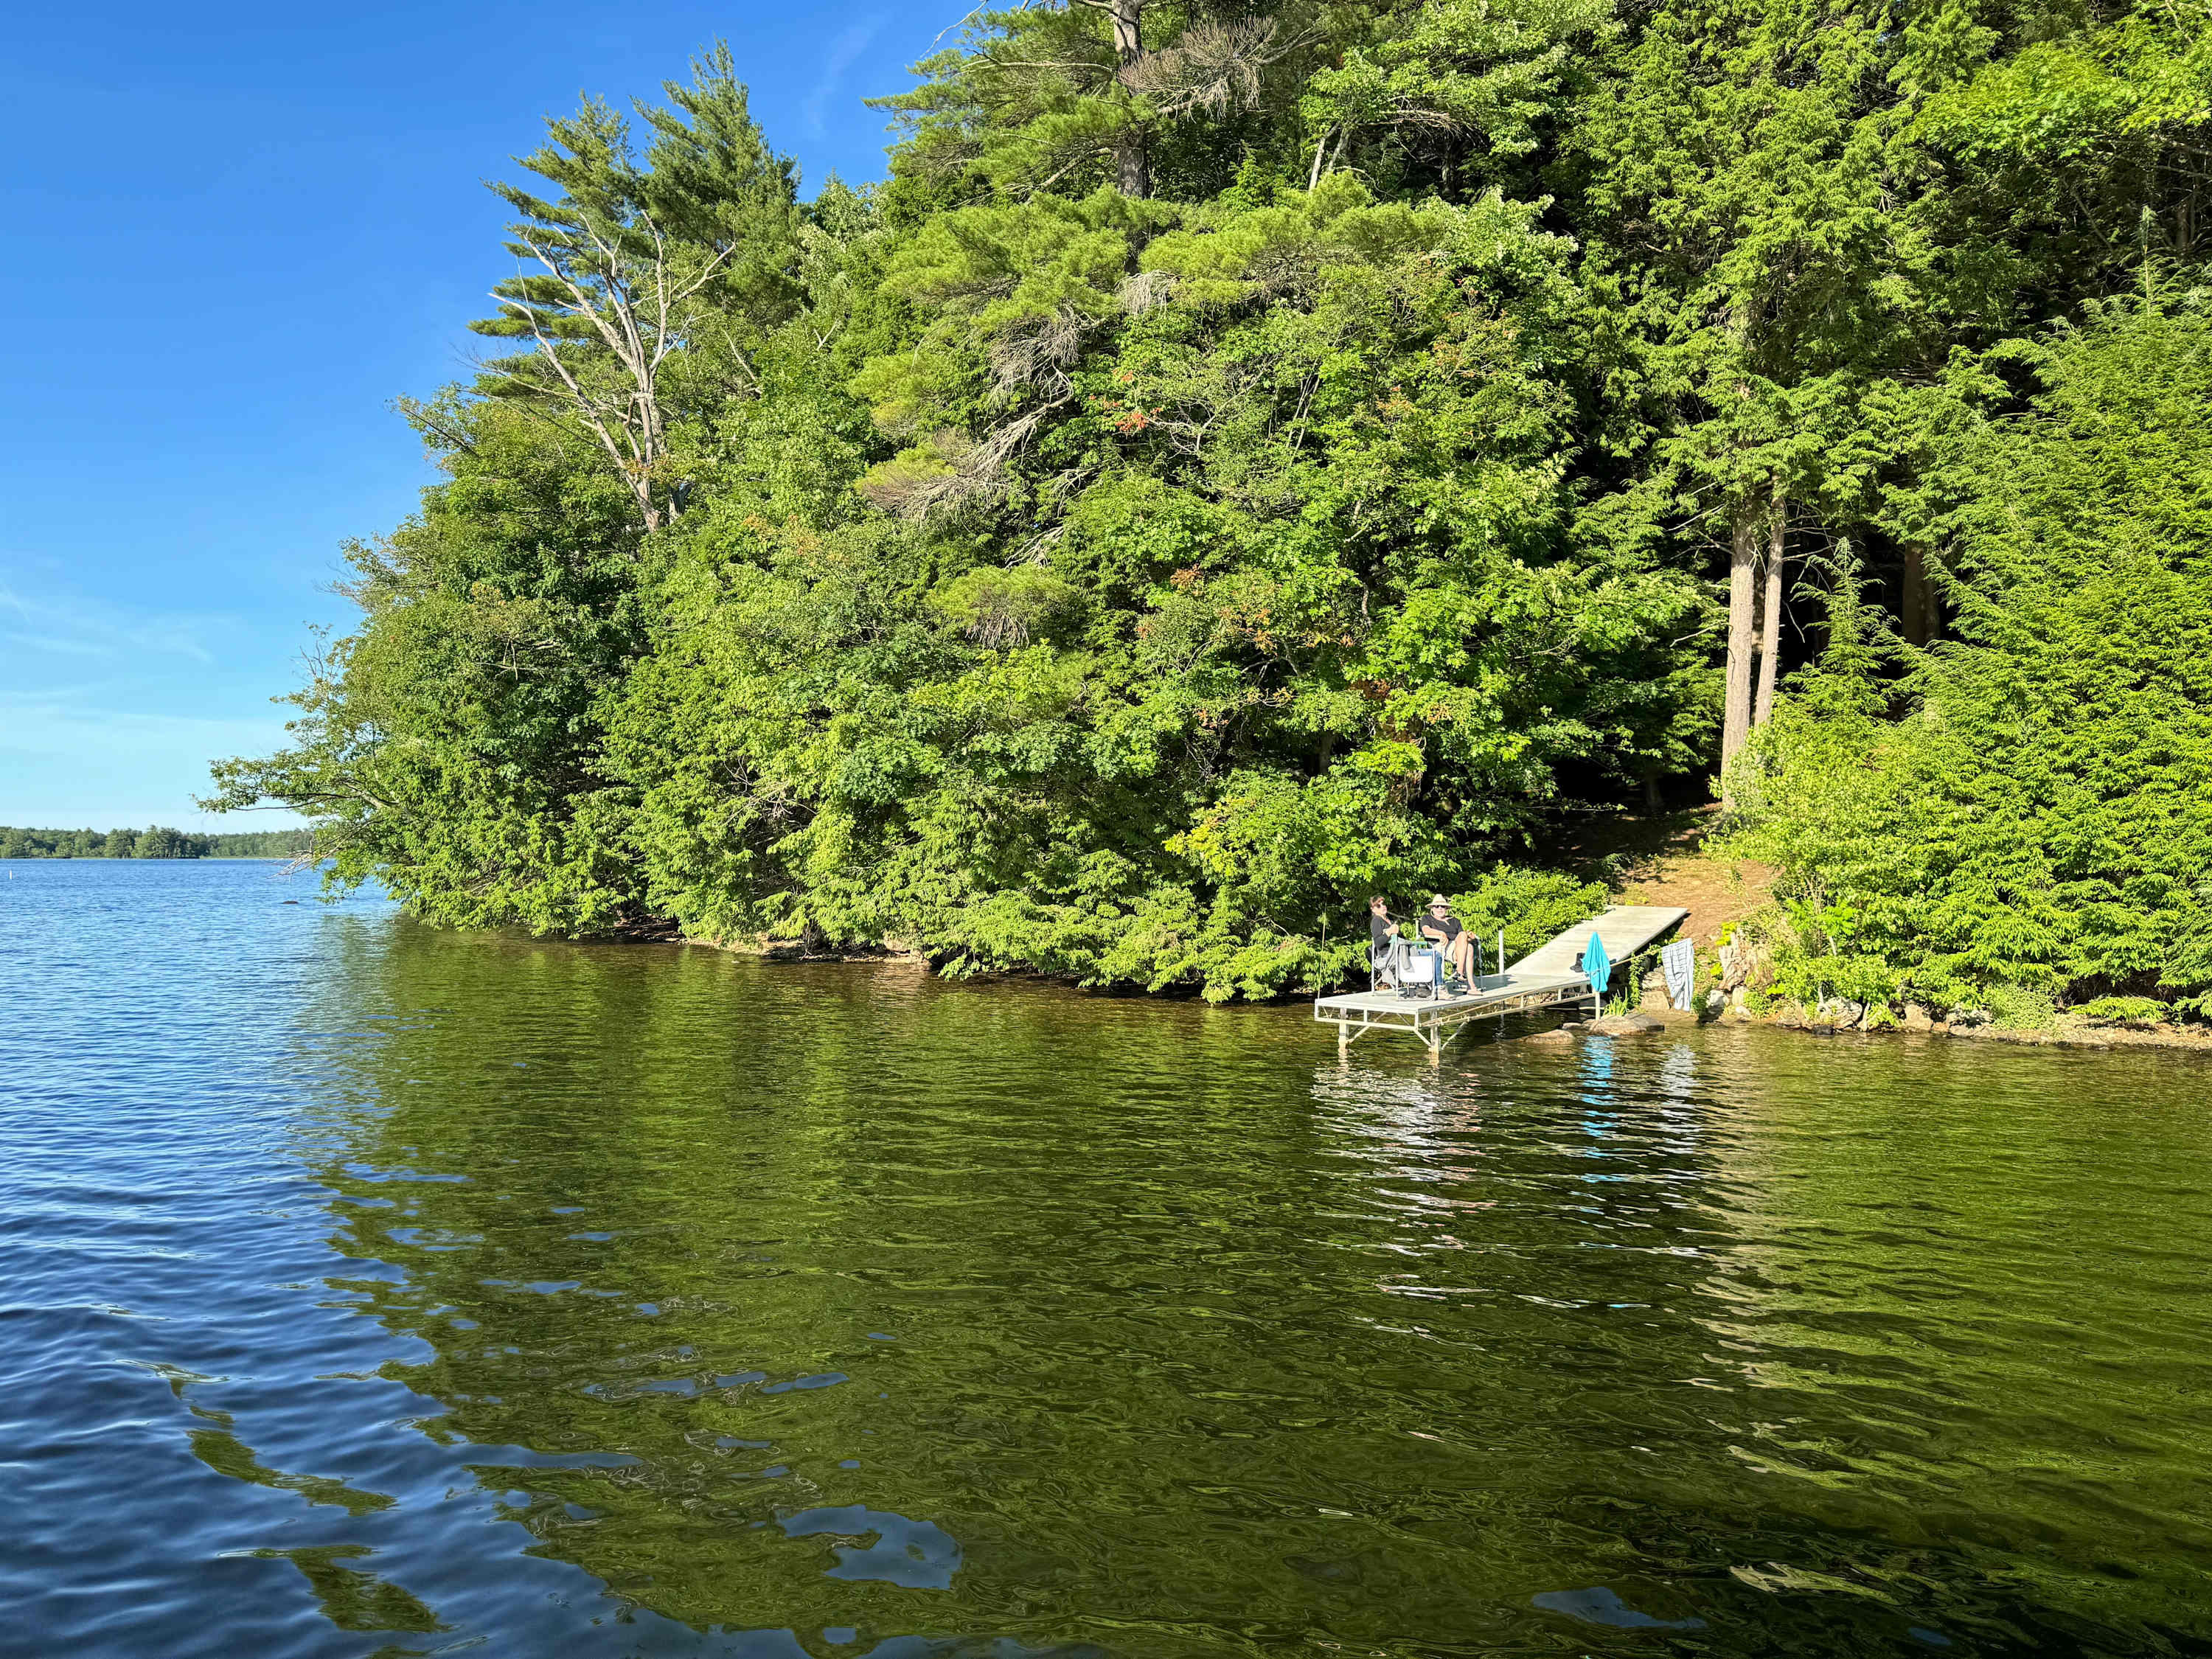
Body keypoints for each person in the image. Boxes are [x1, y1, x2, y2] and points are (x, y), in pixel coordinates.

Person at [1419, 894, 1477, 990]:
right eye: (1437, 906)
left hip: (1456, 947)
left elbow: (1461, 938)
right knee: (1469, 947)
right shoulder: (1427, 918)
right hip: (1439, 945)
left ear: (1446, 908)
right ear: (1432, 909)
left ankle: (1460, 972)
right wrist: (1441, 933)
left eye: (1443, 906)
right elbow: (1426, 930)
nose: (1440, 908)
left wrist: (1470, 938)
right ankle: (1470, 984)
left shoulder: (1455, 920)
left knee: (1467, 941)